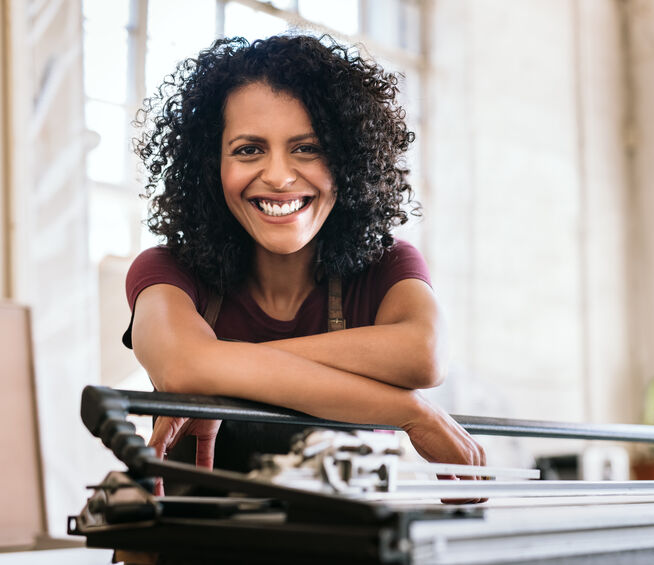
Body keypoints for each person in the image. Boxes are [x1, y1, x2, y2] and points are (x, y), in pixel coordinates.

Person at [123, 33, 485, 495]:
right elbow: (181, 370)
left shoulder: (387, 265)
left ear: (349, 161)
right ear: (210, 164)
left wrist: (220, 366)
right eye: (248, 149)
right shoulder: (166, 270)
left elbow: (425, 356)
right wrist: (410, 412)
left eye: (307, 148)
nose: (277, 176)